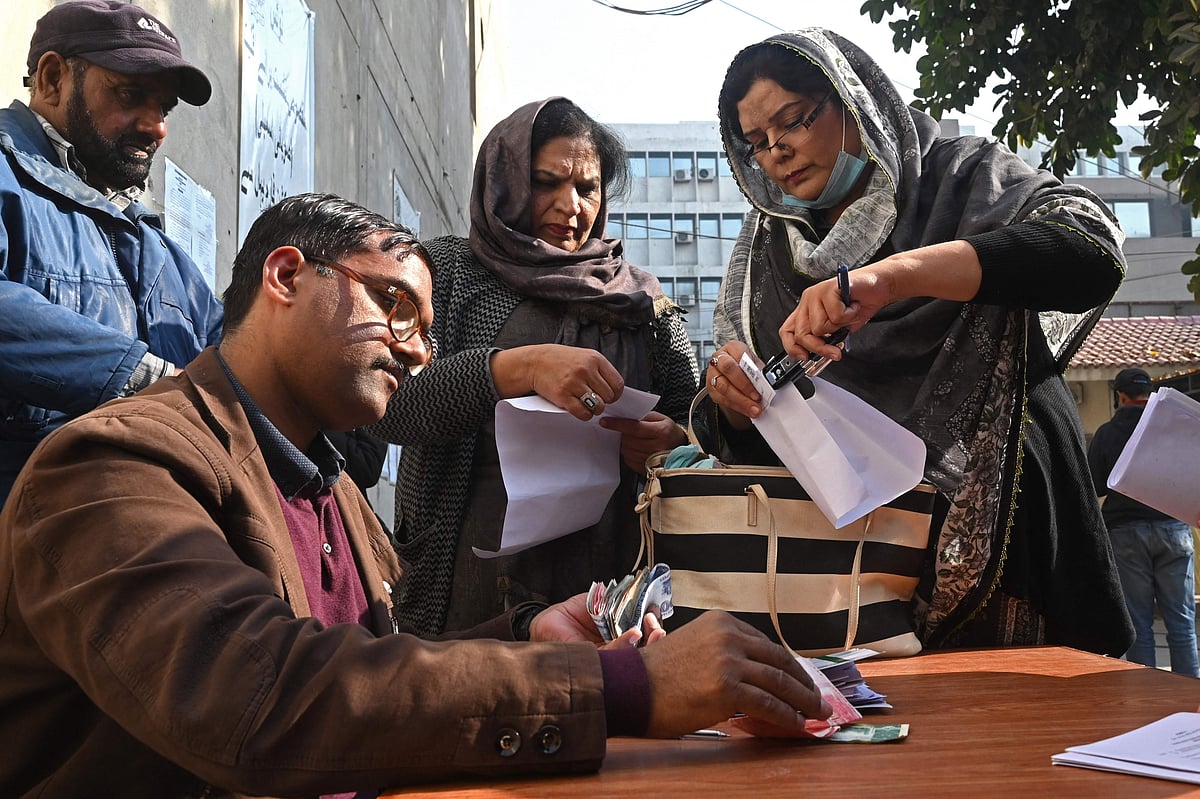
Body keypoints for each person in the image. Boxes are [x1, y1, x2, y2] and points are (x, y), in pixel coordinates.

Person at [0, 192, 828, 798]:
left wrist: (533, 636)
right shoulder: (113, 465)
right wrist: (624, 689)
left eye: (431, 330)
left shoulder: (338, 494)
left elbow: (376, 677)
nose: (420, 352)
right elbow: (261, 697)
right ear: (287, 274)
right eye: (396, 306)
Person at [702, 28, 1134, 655]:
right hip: (848, 570)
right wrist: (732, 396)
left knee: (1027, 733)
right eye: (757, 144)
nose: (777, 154)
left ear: (852, 102)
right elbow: (751, 430)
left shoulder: (961, 178)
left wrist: (895, 277)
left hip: (1009, 535)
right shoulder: (767, 253)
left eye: (793, 122)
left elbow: (1089, 251)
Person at [370, 98, 700, 635]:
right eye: (547, 182)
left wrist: (673, 443)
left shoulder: (643, 304)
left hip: (603, 588)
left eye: (587, 189)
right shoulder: (446, 274)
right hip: (464, 583)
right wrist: (512, 369)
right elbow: (388, 408)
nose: (571, 206)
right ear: (506, 183)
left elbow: (700, 433)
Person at [0, 0, 223, 506]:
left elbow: (234, 358)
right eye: (131, 95)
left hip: (128, 545)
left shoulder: (162, 253)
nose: (156, 126)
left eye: (163, 109)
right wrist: (140, 376)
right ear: (53, 78)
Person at [1088, 367, 1199, 676]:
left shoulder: (1108, 433)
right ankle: (1191, 698)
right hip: (1174, 529)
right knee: (1182, 621)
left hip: (1126, 535)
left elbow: (1095, 485)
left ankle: (1146, 700)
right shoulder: (1175, 429)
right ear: (1149, 392)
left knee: (1139, 622)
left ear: (1120, 395)